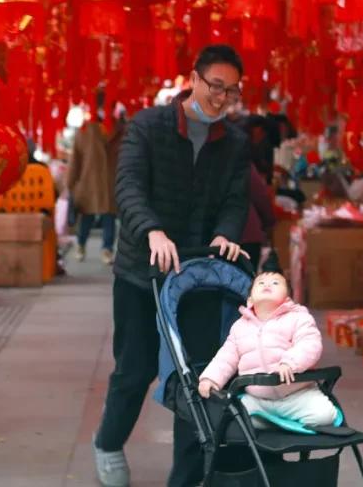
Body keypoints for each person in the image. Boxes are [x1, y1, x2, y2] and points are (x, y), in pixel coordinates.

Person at [92, 45, 251, 487]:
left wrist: (225, 232)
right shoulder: (148, 126)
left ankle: (186, 476)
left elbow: (237, 199)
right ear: (193, 78)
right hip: (140, 274)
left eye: (231, 91)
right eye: (215, 87)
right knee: (136, 368)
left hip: (198, 276)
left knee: (198, 376)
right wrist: (152, 231)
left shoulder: (234, 142)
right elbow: (128, 186)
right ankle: (107, 441)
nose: (221, 98)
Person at [198, 267, 338, 430]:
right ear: (250, 300)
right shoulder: (240, 327)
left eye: (275, 283)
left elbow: (309, 344)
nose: (267, 285)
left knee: (325, 415)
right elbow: (226, 358)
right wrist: (210, 378)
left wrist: (290, 362)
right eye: (261, 283)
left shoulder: (299, 318)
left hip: (296, 394)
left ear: (288, 298)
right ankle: (272, 422)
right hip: (259, 399)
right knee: (233, 416)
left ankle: (270, 424)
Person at [68, 111, 118, 264]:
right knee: (95, 215)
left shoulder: (85, 130)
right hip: (97, 180)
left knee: (101, 215)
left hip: (100, 179)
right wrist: (71, 182)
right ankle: (90, 246)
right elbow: (76, 159)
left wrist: (70, 182)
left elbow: (75, 159)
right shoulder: (117, 128)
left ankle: (101, 248)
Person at [240, 163, 276, 269]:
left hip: (209, 243)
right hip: (248, 236)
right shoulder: (242, 163)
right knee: (247, 281)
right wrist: (270, 222)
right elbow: (260, 197)